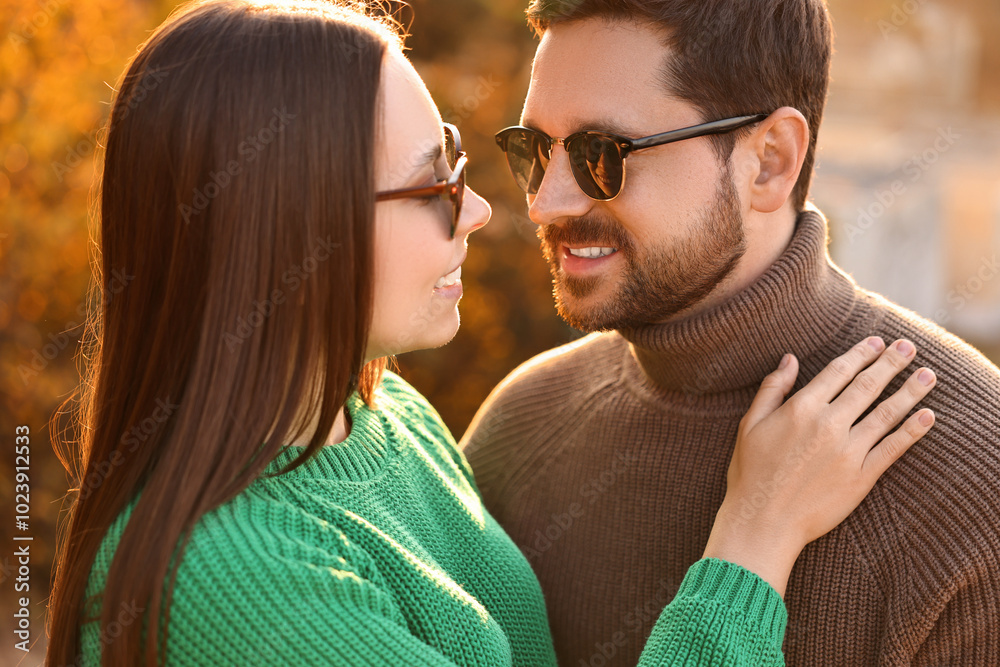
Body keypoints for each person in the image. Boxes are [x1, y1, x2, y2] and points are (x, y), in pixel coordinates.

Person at [44, 1, 936, 665]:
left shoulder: (384, 411)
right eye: (432, 184)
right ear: (290, 231)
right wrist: (754, 538)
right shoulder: (238, 574)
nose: (481, 211)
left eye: (462, 165)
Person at [466, 0, 1000, 665]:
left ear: (770, 161)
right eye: (534, 149)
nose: (546, 201)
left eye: (600, 154)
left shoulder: (975, 482)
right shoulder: (519, 429)